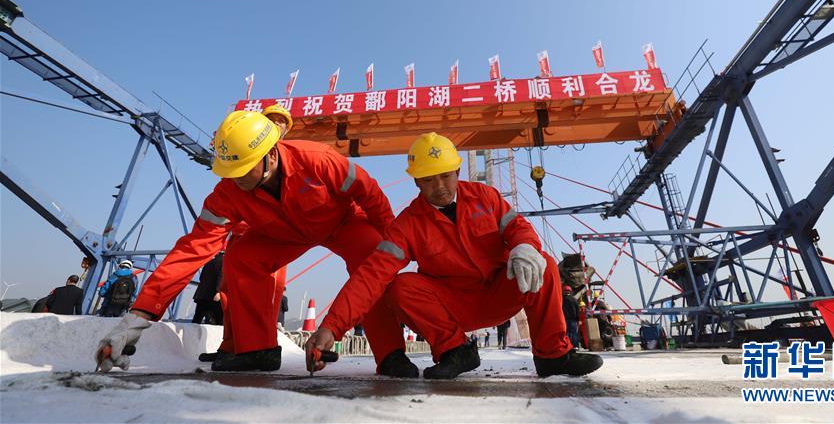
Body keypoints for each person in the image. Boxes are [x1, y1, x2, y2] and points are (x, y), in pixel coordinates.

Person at [95, 111, 408, 375]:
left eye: (243, 170)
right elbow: (192, 249)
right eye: (230, 172)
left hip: (343, 224)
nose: (237, 180)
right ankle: (258, 350)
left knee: (372, 258)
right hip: (282, 237)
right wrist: (139, 316)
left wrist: (391, 244)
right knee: (240, 257)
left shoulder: (319, 160)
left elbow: (371, 195)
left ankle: (391, 354)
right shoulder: (227, 193)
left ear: (270, 154)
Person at [307, 132, 603, 379]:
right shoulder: (407, 224)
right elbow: (372, 275)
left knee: (545, 264)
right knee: (399, 287)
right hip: (454, 306)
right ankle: (455, 351)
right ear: (416, 182)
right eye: (428, 180)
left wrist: (524, 245)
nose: (439, 188)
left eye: (446, 176)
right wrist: (331, 327)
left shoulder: (486, 198)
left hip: (503, 291)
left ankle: (554, 356)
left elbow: (517, 227)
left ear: (458, 172)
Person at [192, 252, 224, 325]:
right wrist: (218, 291)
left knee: (197, 320)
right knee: (219, 321)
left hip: (201, 295)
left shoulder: (209, 262)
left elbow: (201, 277)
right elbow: (221, 276)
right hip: (214, 296)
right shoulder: (225, 261)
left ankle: (190, 335)